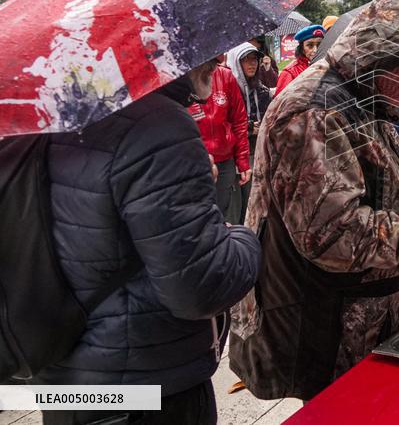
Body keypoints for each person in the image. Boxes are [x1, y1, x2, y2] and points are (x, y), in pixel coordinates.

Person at [229, 0, 399, 401]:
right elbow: (331, 232)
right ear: (384, 63)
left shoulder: (360, 96)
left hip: (357, 319)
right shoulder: (313, 111)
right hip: (319, 325)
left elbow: (379, 177)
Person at [38, 60, 261, 425]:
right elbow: (201, 288)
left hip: (67, 377)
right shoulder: (159, 124)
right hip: (147, 385)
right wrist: (243, 236)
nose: (220, 60)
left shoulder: (64, 109)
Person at [188, 56, 250, 217]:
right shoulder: (181, 80)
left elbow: (239, 120)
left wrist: (242, 161)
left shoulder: (225, 76)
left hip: (224, 162)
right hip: (195, 163)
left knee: (221, 213)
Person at [226, 43, 273, 225]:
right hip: (235, 155)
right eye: (245, 60)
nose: (251, 64)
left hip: (259, 150)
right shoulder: (229, 89)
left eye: (254, 59)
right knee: (239, 204)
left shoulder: (261, 91)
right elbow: (226, 122)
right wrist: (247, 128)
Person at [275, 23, 325, 95]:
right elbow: (280, 103)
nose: (315, 50)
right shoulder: (289, 73)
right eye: (310, 45)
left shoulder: (329, 66)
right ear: (301, 49)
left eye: (319, 44)